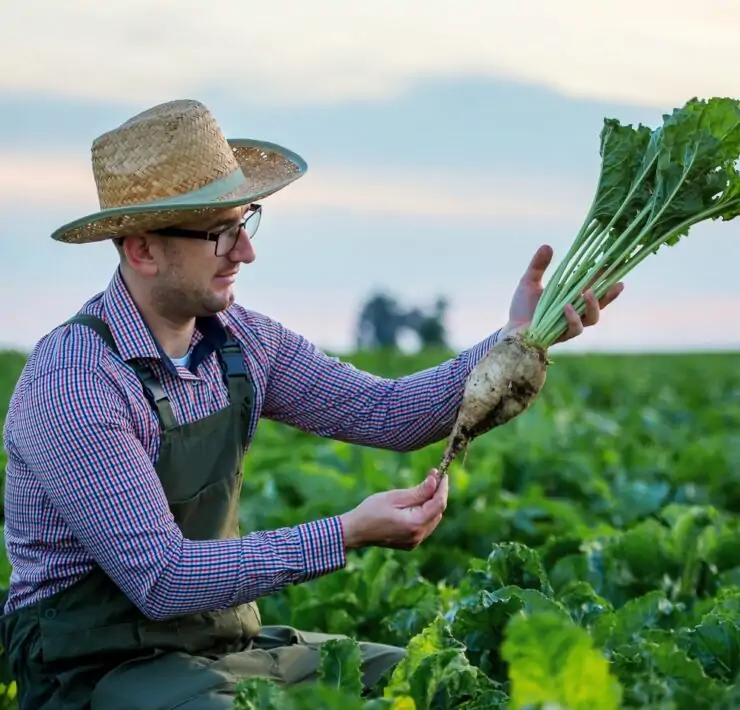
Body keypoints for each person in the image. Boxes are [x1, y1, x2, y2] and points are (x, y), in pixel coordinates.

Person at [0, 99, 623, 710]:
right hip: (92, 672)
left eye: (247, 223)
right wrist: (346, 533)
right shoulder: (75, 380)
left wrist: (520, 337)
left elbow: (390, 412)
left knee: (439, 686)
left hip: (221, 647)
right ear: (141, 249)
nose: (245, 252)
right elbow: (162, 578)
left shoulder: (242, 342)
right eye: (220, 232)